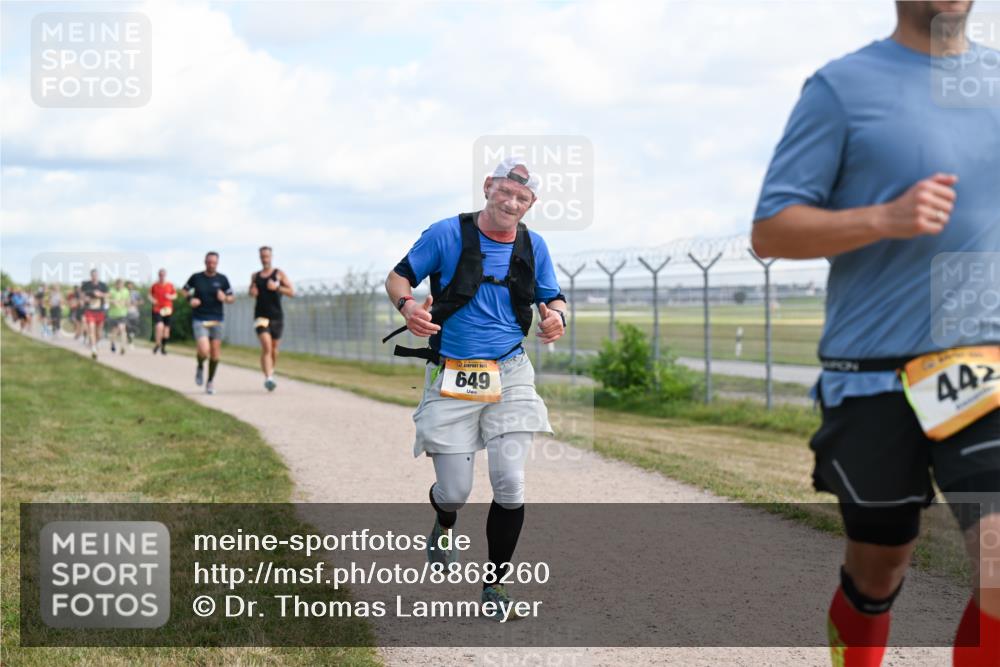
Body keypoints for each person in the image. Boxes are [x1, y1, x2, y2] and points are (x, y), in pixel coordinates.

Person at [751, 2, 1000, 665]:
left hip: (981, 362)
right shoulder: (843, 88)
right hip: (870, 372)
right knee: (879, 564)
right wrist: (883, 217)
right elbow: (771, 229)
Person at [384, 157, 567, 619]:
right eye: (505, 191)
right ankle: (444, 523)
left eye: (521, 198)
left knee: (510, 481)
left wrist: (558, 316)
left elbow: (553, 295)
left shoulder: (534, 244)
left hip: (510, 370)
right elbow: (398, 276)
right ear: (488, 187)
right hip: (452, 373)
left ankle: (495, 586)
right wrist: (408, 307)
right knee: (455, 491)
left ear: (530, 204)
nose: (511, 202)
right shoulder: (446, 233)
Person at [183, 252, 234, 395]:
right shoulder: (196, 277)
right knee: (204, 350)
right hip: (200, 318)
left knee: (215, 355)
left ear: (217, 263)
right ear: (205, 262)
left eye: (214, 263)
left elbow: (231, 298)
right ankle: (200, 366)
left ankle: (210, 381)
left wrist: (225, 298)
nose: (211, 265)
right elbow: (184, 290)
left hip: (217, 319)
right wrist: (190, 300)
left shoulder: (222, 279)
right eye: (209, 262)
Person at [249, 246, 294, 392]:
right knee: (267, 346)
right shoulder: (255, 276)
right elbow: (251, 291)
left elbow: (291, 292)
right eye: (262, 256)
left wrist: (277, 287)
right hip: (260, 316)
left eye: (267, 256)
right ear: (259, 257)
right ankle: (269, 378)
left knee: (274, 349)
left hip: (276, 316)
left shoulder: (279, 274)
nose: (264, 259)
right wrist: (252, 292)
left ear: (271, 256)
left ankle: (270, 370)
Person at [81, 269, 108, 359]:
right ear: (91, 276)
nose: (94, 277)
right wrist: (86, 299)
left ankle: (94, 343)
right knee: (91, 329)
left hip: (100, 311)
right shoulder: (86, 285)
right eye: (93, 275)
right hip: (90, 310)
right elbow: (82, 296)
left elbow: (107, 295)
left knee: (99, 334)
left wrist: (100, 294)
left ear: (98, 276)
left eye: (96, 275)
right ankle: (93, 349)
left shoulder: (103, 285)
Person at [149, 269, 176, 355]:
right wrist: (152, 300)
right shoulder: (154, 285)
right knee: (159, 326)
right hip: (157, 308)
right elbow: (149, 295)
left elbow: (175, 295)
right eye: (160, 275)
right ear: (158, 275)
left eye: (163, 275)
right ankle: (157, 343)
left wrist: (170, 296)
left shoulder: (170, 285)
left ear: (165, 275)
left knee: (166, 330)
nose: (162, 276)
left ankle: (163, 347)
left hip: (167, 309)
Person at [106, 278, 130, 355]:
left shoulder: (126, 291)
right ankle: (112, 343)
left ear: (123, 285)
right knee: (114, 331)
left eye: (121, 284)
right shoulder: (111, 291)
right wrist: (112, 301)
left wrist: (127, 304)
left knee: (122, 329)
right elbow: (106, 299)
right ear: (116, 284)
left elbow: (128, 301)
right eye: (118, 284)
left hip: (123, 314)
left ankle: (123, 347)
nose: (120, 286)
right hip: (113, 314)